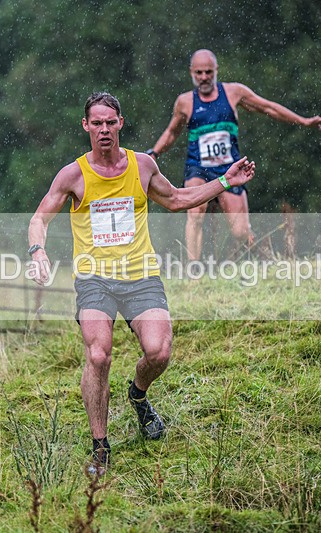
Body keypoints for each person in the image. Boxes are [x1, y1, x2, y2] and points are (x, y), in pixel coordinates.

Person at [27, 92, 255, 475]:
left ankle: (138, 395)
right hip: (95, 279)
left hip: (140, 275)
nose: (103, 130)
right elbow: (39, 218)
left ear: (120, 123)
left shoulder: (142, 165)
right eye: (96, 123)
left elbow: (179, 199)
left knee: (159, 352)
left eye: (110, 122)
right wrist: (38, 251)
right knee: (98, 355)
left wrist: (224, 182)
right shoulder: (73, 175)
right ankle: (100, 447)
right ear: (86, 126)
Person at [146, 49, 321, 261]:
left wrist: (304, 121)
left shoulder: (234, 93)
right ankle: (193, 271)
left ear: (216, 70)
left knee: (240, 232)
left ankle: (264, 259)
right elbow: (172, 132)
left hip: (230, 170)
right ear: (191, 72)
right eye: (199, 73)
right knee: (194, 215)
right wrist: (154, 153)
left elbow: (269, 107)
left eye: (208, 72)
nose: (204, 77)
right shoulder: (185, 102)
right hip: (198, 167)